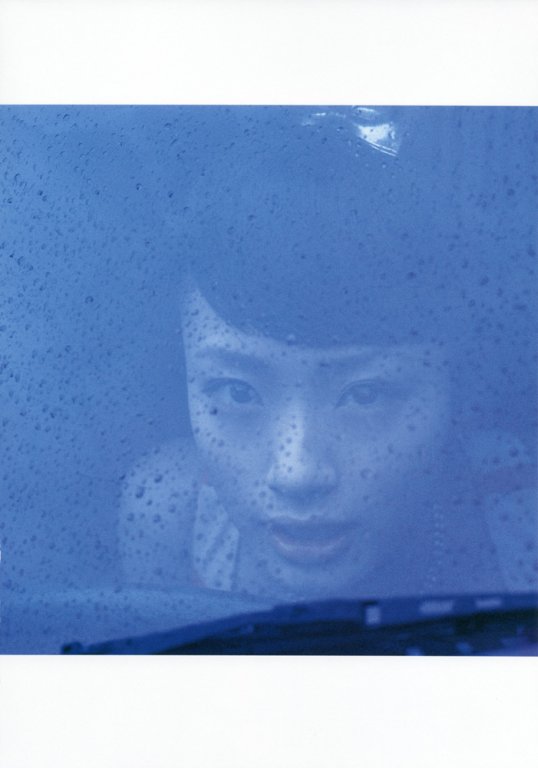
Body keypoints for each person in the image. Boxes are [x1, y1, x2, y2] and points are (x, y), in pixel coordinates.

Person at [119, 107, 536, 603]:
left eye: (365, 395)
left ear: (450, 384)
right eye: (237, 392)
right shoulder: (171, 511)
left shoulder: (520, 510)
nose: (296, 472)